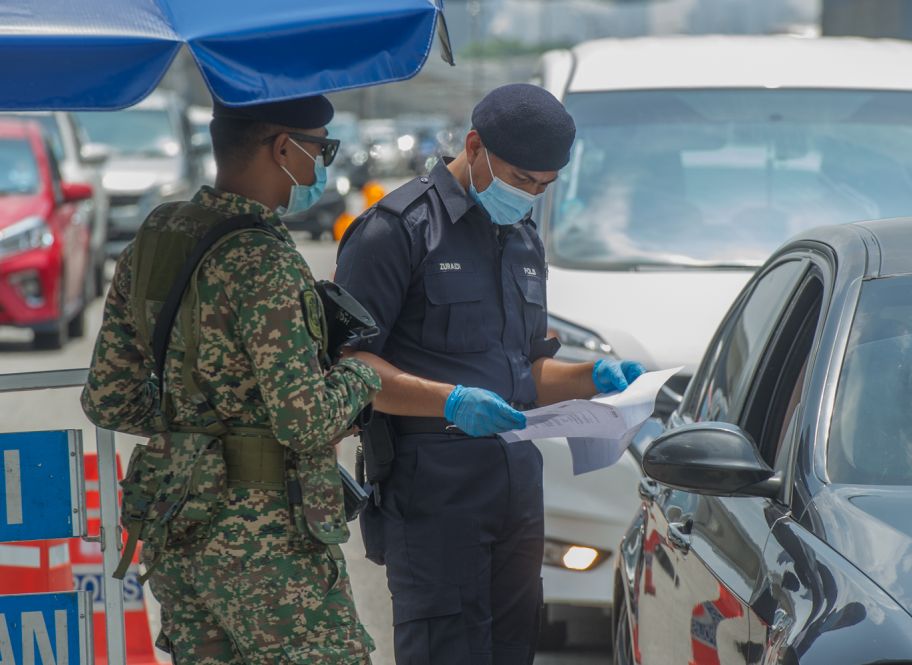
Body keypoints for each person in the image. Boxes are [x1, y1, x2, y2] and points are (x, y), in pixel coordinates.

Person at [335, 83, 647, 665]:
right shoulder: (396, 230)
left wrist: (592, 378)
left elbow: (525, 373)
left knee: (513, 651)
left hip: (516, 495)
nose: (530, 195)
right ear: (475, 147)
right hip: (433, 497)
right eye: (523, 179)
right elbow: (349, 363)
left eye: (544, 186)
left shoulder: (523, 237)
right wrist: (450, 401)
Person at [80, 95, 379, 664]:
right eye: (322, 150)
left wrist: (196, 426)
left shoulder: (158, 232)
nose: (321, 170)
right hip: (268, 546)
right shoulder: (264, 258)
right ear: (284, 148)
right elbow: (305, 421)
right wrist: (360, 377)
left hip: (181, 526)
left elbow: (109, 399)